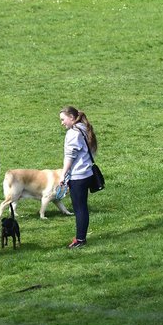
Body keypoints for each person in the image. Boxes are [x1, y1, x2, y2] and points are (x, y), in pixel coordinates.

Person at [58, 106, 98, 248]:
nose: (62, 123)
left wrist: (62, 175)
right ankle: (81, 236)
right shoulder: (85, 128)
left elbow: (70, 156)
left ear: (72, 118)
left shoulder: (73, 133)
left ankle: (80, 239)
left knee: (79, 208)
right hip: (87, 173)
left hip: (78, 176)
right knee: (82, 207)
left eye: (63, 119)